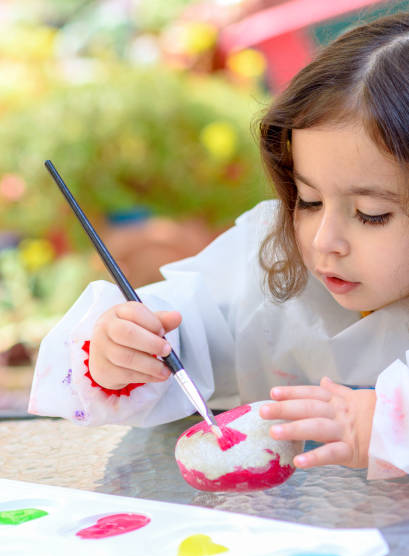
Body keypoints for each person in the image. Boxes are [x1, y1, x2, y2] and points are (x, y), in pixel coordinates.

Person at [29, 12, 409, 480]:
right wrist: (119, 349)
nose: (323, 241)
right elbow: (189, 321)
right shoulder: (271, 252)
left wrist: (391, 425)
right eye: (307, 200)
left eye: (372, 213)